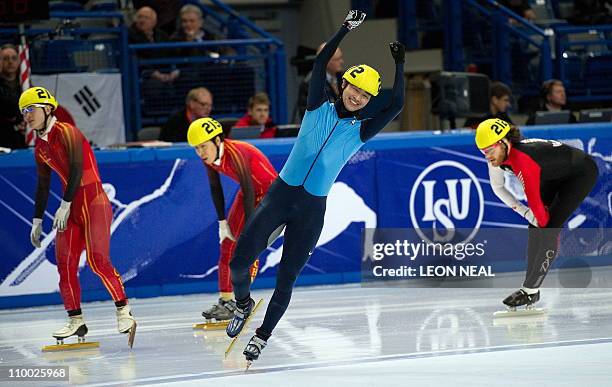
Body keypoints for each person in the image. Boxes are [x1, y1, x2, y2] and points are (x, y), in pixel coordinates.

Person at [225, 10, 405, 364]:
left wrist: (400, 64)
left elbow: (396, 103)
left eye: (366, 95)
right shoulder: (317, 106)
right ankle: (242, 305)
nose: (358, 97)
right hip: (281, 195)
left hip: (311, 209)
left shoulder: (360, 131)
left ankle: (262, 336)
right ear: (344, 85)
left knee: (286, 278)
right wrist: (344, 30)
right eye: (355, 88)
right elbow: (321, 61)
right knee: (238, 263)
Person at [20, 87, 136, 345]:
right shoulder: (39, 146)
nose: (27, 115)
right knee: (65, 264)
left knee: (97, 260)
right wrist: (36, 219)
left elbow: (75, 168)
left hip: (93, 202)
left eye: (31, 109)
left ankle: (124, 310)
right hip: (70, 207)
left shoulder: (67, 131)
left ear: (47, 108)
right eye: (23, 111)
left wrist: (65, 204)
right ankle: (76, 320)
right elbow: (42, 185)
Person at [475, 118, 598, 310]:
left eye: (489, 150)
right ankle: (529, 289)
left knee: (548, 228)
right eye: (483, 152)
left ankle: (530, 290)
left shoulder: (523, 160)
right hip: (554, 174)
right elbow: (497, 187)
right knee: (534, 226)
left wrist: (547, 229)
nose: (487, 157)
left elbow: (539, 213)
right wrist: (524, 212)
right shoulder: (497, 155)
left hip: (581, 173)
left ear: (505, 142)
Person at [186, 117, 278, 322]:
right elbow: (215, 187)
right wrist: (222, 222)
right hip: (248, 193)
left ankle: (241, 301)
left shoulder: (235, 153)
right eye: (196, 148)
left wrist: (249, 230)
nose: (200, 153)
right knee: (227, 242)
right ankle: (226, 300)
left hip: (268, 194)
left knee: (246, 248)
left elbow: (248, 188)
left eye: (203, 147)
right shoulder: (209, 157)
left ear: (218, 141)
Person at [294, 41, 345, 121]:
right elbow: (307, 115)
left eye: (341, 58)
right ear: (326, 61)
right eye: (337, 59)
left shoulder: (345, 78)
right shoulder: (310, 83)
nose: (341, 62)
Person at [0, 44, 26, 149]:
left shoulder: (26, 85)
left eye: (14, 58)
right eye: (5, 59)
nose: (10, 62)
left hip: (22, 142)